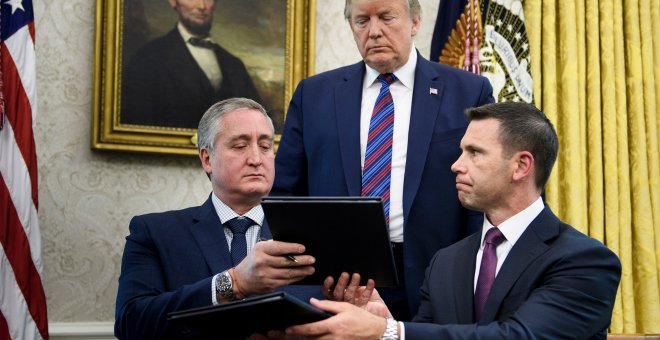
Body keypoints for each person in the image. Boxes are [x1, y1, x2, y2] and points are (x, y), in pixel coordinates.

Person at [280, 102, 622, 339]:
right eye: (461, 152)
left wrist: (390, 332)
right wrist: (384, 324)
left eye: (474, 153)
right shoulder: (446, 261)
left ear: (521, 166)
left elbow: (521, 336)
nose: (456, 165)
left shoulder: (585, 261)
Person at [272, 0, 495, 319]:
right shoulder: (315, 94)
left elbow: (484, 191)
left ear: (415, 22)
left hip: (435, 276)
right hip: (338, 282)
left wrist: (472, 272)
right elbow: (285, 195)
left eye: (386, 18)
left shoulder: (467, 91)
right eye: (362, 21)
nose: (374, 31)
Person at [114, 98, 318, 339]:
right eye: (240, 146)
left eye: (265, 146)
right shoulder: (153, 232)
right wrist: (234, 283)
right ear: (207, 159)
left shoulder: (311, 235)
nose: (256, 158)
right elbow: (131, 323)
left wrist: (349, 306)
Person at [120, 0, 261, 129]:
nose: (202, 6)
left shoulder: (234, 65)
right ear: (173, 2)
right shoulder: (148, 58)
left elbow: (258, 122)